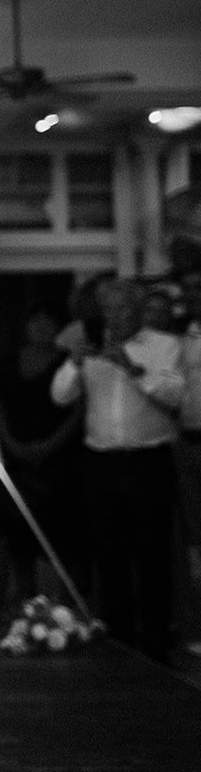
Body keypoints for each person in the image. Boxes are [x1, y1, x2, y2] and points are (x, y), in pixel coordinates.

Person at [51, 277, 180, 662]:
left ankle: (157, 645)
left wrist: (133, 369)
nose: (114, 317)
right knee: (110, 554)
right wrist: (74, 363)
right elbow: (59, 396)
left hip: (149, 461)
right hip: (101, 463)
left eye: (123, 309)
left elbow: (176, 395)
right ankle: (120, 645)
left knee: (153, 555)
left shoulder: (164, 345)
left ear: (139, 311)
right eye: (108, 309)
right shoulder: (91, 344)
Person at [0, 302, 82, 600]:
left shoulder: (68, 362)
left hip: (59, 461)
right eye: (36, 321)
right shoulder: (10, 361)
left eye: (48, 321)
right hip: (16, 458)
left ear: (58, 327)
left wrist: (50, 445)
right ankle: (26, 604)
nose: (41, 327)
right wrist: (9, 443)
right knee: (19, 536)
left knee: (61, 535)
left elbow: (78, 410)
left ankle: (64, 605)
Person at [175, 270, 201, 657]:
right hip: (188, 439)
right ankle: (194, 625)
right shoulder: (177, 339)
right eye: (190, 290)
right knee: (193, 538)